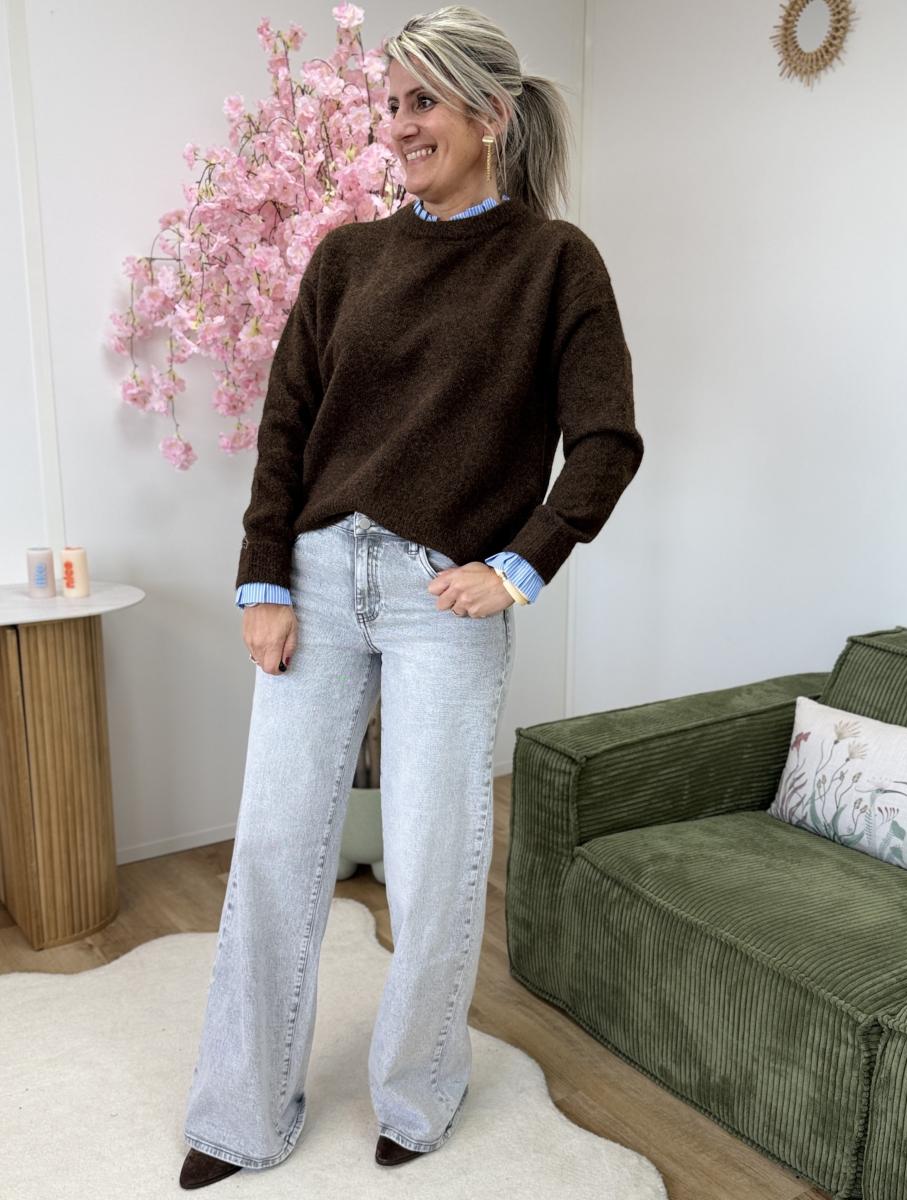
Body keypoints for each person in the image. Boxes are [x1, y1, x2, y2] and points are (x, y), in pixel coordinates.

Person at [179, 3, 644, 1189]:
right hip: (320, 579)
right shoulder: (346, 259)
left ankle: (419, 1096)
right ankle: (238, 1117)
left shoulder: (556, 263)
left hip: (444, 598)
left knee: (436, 863)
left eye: (421, 101)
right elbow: (287, 426)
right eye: (391, 104)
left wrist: (521, 565)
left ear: (491, 114)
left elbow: (604, 440)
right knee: (274, 850)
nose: (398, 125)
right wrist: (263, 573)